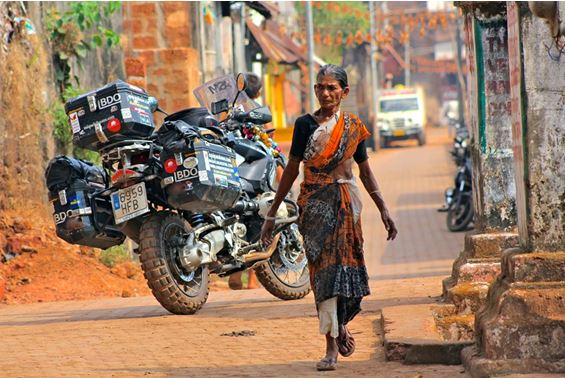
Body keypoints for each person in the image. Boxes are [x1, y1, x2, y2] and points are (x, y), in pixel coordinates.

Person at [260, 64, 397, 371]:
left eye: (332, 87)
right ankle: (330, 345)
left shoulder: (353, 127)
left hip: (347, 205)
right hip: (314, 208)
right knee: (322, 277)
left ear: (344, 92)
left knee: (346, 272)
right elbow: (292, 169)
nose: (325, 93)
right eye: (320, 87)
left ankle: (341, 324)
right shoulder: (304, 125)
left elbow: (365, 171)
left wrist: (384, 209)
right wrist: (273, 213)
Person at [228, 72, 264, 291]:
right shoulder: (255, 112)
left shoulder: (226, 109)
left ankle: (236, 273)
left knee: (234, 219)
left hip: (229, 171)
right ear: (258, 92)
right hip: (250, 170)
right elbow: (267, 146)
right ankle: (252, 278)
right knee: (255, 220)